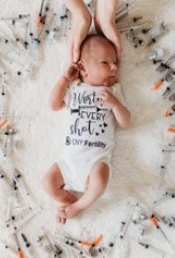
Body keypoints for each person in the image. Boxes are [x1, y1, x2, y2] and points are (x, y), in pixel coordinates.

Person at [42, 35, 130, 224]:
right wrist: (65, 79)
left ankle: (79, 207)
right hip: (68, 160)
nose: (114, 67)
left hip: (96, 160)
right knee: (48, 184)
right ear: (82, 68)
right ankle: (71, 203)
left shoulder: (112, 92)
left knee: (100, 181)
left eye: (115, 62)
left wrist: (115, 105)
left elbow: (126, 122)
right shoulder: (74, 89)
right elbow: (54, 104)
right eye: (105, 62)